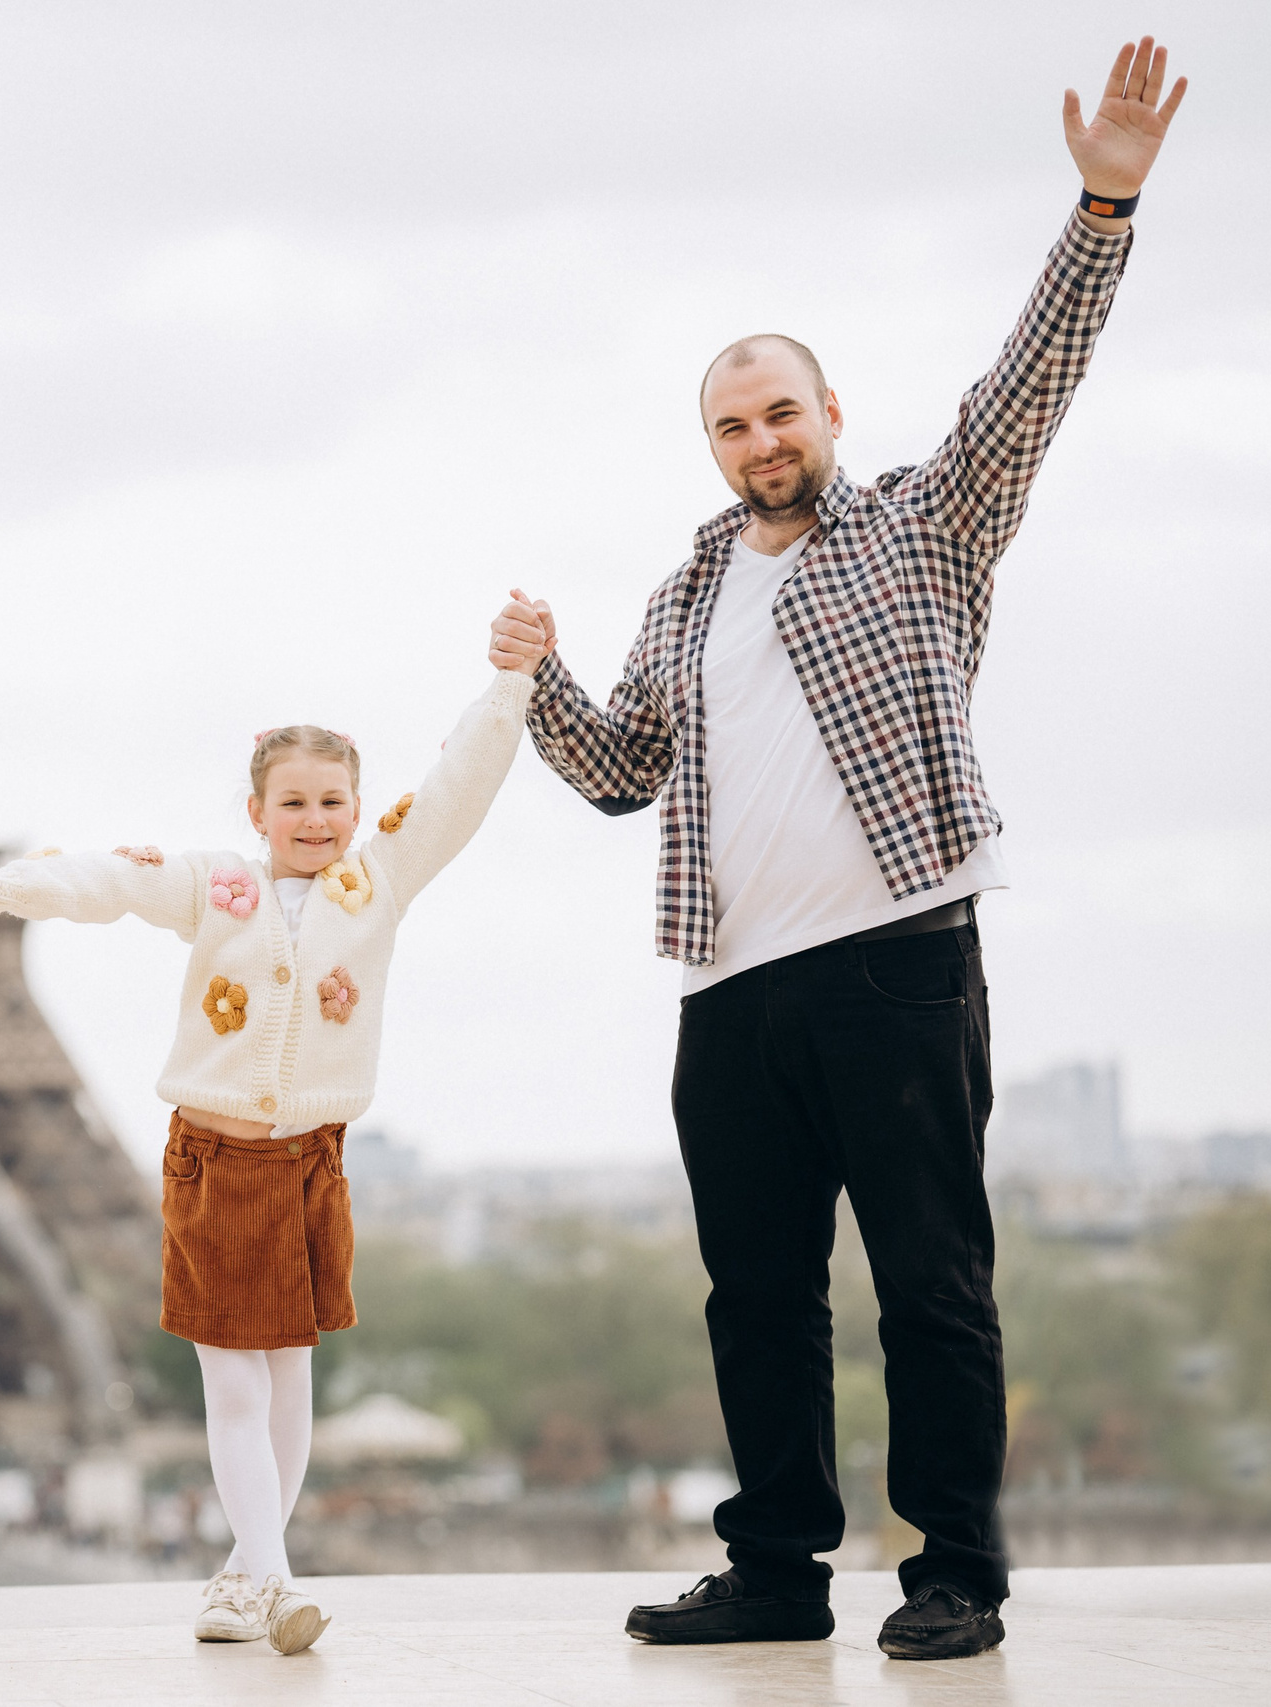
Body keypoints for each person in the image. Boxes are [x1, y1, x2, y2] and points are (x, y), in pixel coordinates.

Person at [489, 37, 1189, 1663]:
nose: (757, 442)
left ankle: (953, 1568)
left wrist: (1103, 203)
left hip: (897, 961)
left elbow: (1034, 380)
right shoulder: (683, 594)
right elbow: (613, 775)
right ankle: (781, 1565)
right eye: (731, 424)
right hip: (730, 984)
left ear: (831, 415)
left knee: (932, 1287)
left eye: (779, 412)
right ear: (713, 443)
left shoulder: (927, 526)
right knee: (757, 1299)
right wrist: (535, 679)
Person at [0, 654, 541, 1654]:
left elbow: (451, 795)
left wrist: (509, 687)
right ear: (255, 813)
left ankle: (244, 1576)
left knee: (288, 1377)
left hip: (311, 1161)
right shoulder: (216, 890)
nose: (314, 819)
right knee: (235, 1385)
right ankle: (272, 1575)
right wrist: (0, 890)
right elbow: (112, 882)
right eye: (292, 801)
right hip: (213, 1158)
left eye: (332, 801)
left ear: (356, 807)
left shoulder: (376, 884)